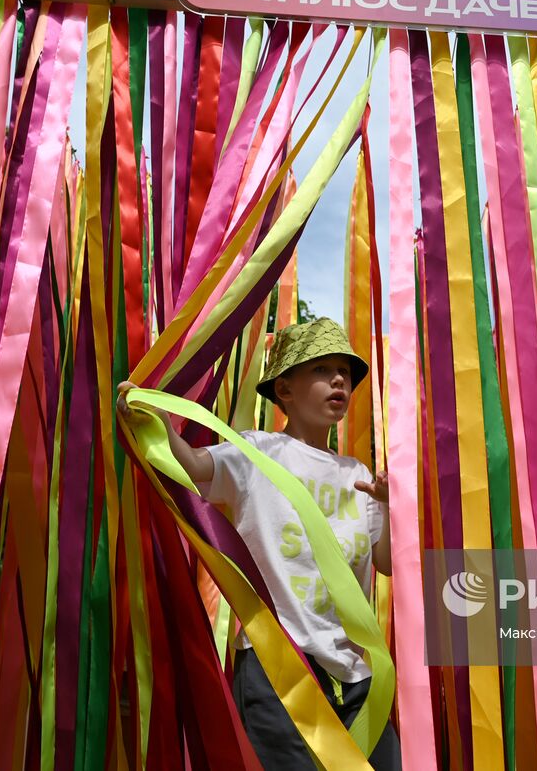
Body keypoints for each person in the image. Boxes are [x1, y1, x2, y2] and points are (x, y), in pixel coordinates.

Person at [117, 317, 401, 770]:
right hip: (280, 671)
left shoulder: (359, 477)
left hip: (356, 676)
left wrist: (390, 506)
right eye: (322, 369)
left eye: (345, 372)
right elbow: (190, 464)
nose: (339, 380)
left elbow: (386, 563)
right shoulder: (255, 454)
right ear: (284, 390)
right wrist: (152, 417)